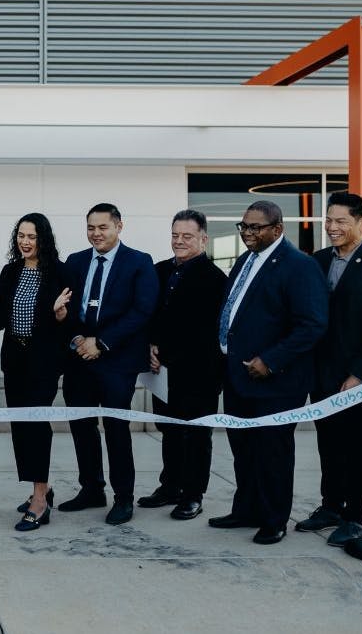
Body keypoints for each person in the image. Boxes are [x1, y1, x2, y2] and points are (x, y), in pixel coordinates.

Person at [208, 200, 327, 544]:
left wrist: (271, 360)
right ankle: (246, 510)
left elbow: (312, 324)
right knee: (243, 450)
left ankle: (274, 519)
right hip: (238, 375)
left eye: (255, 227)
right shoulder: (244, 261)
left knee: (272, 452)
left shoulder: (299, 266)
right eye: (243, 226)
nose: (247, 233)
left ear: (277, 229)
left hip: (275, 380)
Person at [298, 192, 362, 546]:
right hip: (322, 373)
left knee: (357, 447)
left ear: (361, 222)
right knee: (328, 443)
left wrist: (358, 374)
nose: (332, 227)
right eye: (328, 220)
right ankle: (330, 506)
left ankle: (354, 516)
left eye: (341, 221)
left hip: (360, 378)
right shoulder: (318, 260)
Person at [0, 213, 73, 531]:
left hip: (44, 363)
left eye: (32, 236)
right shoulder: (11, 271)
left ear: (44, 239)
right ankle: (42, 487)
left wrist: (60, 314)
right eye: (21, 235)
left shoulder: (60, 272)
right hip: (15, 360)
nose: (25, 242)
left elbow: (71, 320)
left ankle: (40, 502)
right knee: (21, 427)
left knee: (37, 427)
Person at [60, 203, 158, 526]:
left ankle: (123, 498)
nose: (96, 234)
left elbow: (142, 311)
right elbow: (68, 306)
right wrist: (77, 339)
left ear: (119, 226)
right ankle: (91, 488)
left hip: (117, 361)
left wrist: (101, 344)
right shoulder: (75, 262)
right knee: (81, 425)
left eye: (103, 227)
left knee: (116, 428)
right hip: (79, 360)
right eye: (91, 227)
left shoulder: (139, 262)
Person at [139, 210, 227, 521]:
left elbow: (206, 332)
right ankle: (170, 487)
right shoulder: (158, 271)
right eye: (175, 235)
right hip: (161, 373)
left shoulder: (216, 279)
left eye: (187, 236)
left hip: (200, 372)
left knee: (197, 436)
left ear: (203, 239)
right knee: (169, 431)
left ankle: (193, 495)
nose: (179, 241)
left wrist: (167, 354)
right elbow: (147, 313)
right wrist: (149, 347)